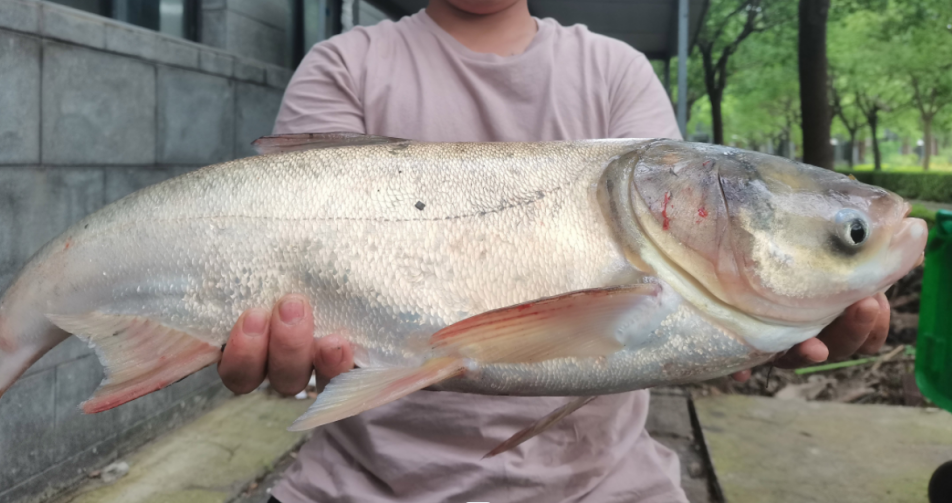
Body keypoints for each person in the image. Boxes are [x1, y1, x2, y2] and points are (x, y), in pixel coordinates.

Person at [217, 0, 892, 501]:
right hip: (358, 484)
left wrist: (760, 317)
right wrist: (295, 354)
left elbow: (680, 293)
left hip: (607, 482)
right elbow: (303, 309)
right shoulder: (344, 65)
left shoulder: (617, 72)